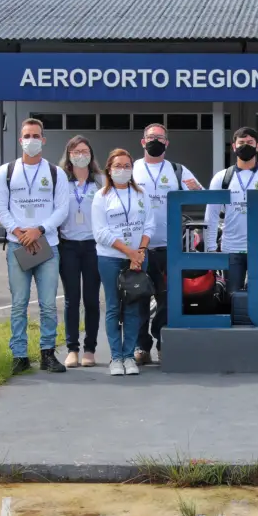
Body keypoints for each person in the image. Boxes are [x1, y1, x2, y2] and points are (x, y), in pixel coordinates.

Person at [0, 118, 70, 375]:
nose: (31, 140)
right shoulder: (6, 171)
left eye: (36, 136)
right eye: (27, 135)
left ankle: (47, 353)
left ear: (43, 140)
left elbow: (62, 208)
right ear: (20, 139)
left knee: (48, 304)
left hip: (48, 245)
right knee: (19, 303)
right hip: (18, 246)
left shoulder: (56, 173)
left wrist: (39, 230)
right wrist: (17, 231)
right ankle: (19, 355)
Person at [132, 123, 203, 366]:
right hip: (139, 248)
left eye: (160, 138)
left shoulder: (177, 170)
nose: (155, 141)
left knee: (168, 298)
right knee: (139, 297)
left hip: (169, 247)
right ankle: (142, 347)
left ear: (167, 143)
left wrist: (194, 191)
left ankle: (162, 341)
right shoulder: (131, 170)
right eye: (151, 137)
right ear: (143, 142)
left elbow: (200, 194)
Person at [92, 148, 154, 376]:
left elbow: (149, 225)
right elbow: (101, 232)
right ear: (109, 168)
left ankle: (129, 356)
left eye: (127, 166)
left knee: (133, 307)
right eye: (118, 166)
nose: (123, 170)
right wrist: (129, 252)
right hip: (111, 258)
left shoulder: (141, 194)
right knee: (112, 307)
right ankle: (116, 357)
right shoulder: (101, 196)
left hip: (138, 257)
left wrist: (140, 252)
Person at [205, 127, 258, 292]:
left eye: (250, 142)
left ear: (257, 146)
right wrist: (211, 248)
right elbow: (211, 215)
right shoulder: (222, 178)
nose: (245, 146)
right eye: (241, 143)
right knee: (233, 298)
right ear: (234, 147)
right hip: (231, 249)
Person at [58, 136, 104, 369]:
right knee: (71, 299)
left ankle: (90, 349)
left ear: (91, 154)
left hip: (93, 246)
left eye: (84, 151)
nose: (80, 155)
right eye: (75, 151)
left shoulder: (100, 181)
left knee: (92, 300)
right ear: (69, 155)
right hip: (68, 246)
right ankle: (72, 349)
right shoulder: (60, 181)